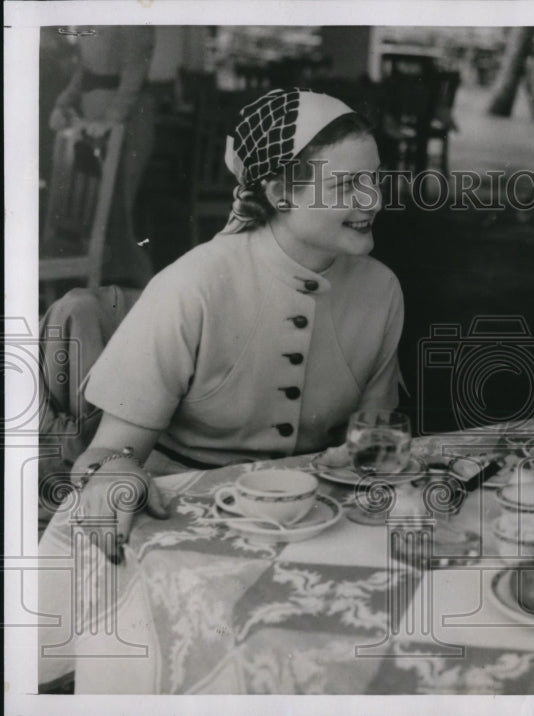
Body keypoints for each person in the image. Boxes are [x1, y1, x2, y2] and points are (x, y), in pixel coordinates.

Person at [44, 88, 402, 562]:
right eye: (347, 185)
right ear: (279, 193)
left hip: (314, 519)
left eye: (375, 179)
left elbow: (375, 440)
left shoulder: (383, 290)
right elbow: (107, 455)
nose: (373, 199)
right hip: (179, 516)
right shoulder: (192, 287)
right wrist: (114, 475)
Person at [47, 26, 158, 287]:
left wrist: (111, 121)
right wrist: (63, 103)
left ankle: (142, 291)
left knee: (119, 213)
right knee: (98, 216)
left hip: (128, 125)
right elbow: (84, 72)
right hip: (93, 122)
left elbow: (134, 75)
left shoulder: (136, 21)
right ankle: (103, 293)